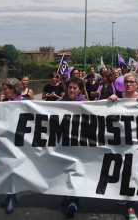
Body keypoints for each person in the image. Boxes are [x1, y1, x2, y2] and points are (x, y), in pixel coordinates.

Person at [108, 71, 138, 220]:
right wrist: (109, 100)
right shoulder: (118, 98)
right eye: (126, 81)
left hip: (135, 143)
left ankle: (131, 207)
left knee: (132, 172)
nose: (128, 84)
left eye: (131, 82)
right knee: (121, 170)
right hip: (120, 142)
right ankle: (123, 195)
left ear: (137, 84)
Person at [58, 77, 87, 217]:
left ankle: (73, 201)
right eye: (70, 87)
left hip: (78, 144)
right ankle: (66, 194)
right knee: (64, 170)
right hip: (63, 143)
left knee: (75, 170)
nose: (72, 90)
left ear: (80, 89)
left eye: (75, 88)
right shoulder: (60, 103)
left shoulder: (85, 104)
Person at [0, 78, 24, 213]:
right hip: (6, 142)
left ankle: (12, 197)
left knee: (14, 168)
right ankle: (9, 195)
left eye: (6, 88)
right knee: (7, 168)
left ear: (13, 89)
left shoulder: (25, 103)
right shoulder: (4, 102)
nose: (4, 91)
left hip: (19, 142)